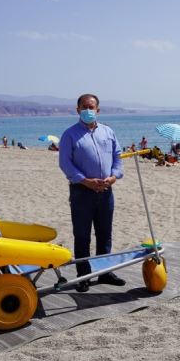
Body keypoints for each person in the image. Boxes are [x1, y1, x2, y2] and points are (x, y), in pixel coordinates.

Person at [59, 93, 125, 292]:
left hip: (106, 191)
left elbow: (118, 157)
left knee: (105, 234)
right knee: (82, 235)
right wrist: (85, 181)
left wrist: (114, 176)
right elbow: (65, 163)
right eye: (84, 107)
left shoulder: (108, 132)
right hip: (81, 192)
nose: (89, 110)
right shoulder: (69, 134)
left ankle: (104, 272)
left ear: (98, 110)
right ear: (78, 110)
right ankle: (83, 275)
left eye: (92, 107)